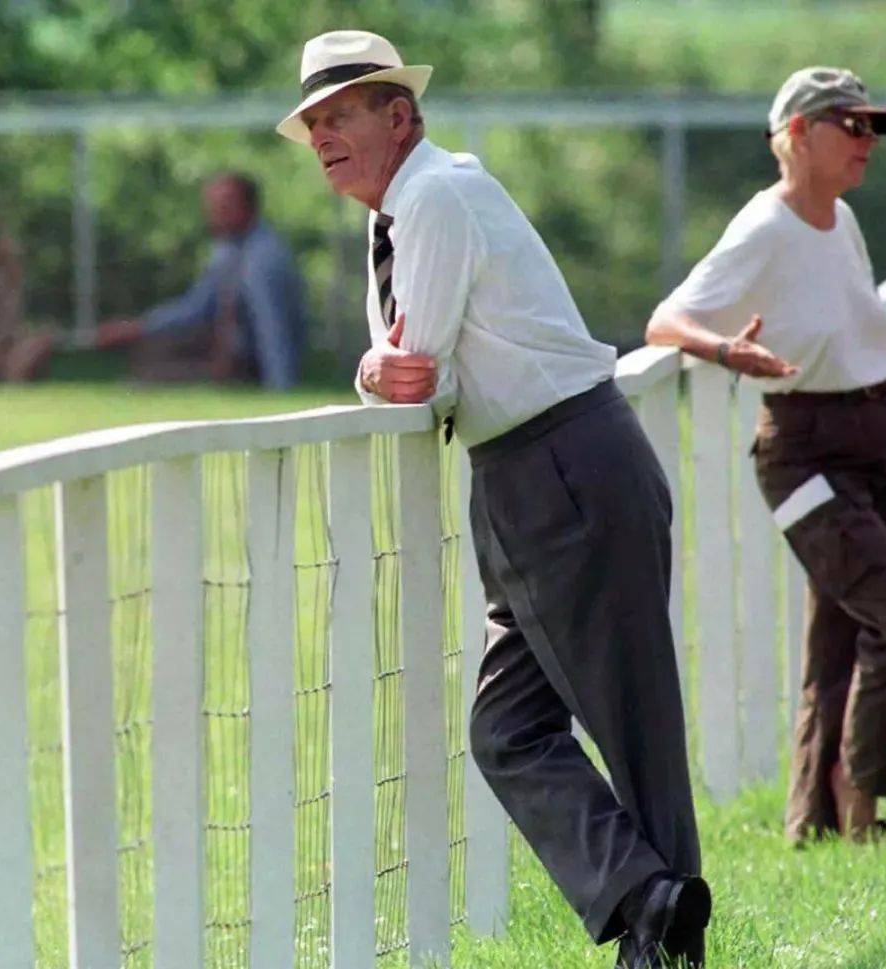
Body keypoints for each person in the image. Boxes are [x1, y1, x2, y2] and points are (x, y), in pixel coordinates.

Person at [277, 30, 710, 967]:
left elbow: (416, 378)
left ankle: (665, 939)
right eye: (312, 122)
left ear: (400, 115)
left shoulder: (433, 196)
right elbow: (405, 369)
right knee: (508, 730)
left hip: (561, 464)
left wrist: (373, 367)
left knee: (626, 722)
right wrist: (381, 368)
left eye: (338, 115)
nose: (320, 137)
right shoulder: (399, 209)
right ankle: (652, 900)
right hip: (526, 472)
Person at [646, 67, 886, 844]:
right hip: (805, 452)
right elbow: (665, 322)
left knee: (841, 629)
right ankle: (860, 795)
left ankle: (811, 820)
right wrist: (726, 352)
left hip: (878, 431)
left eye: (874, 128)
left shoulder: (839, 220)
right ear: (798, 135)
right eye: (853, 126)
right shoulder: (764, 226)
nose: (867, 143)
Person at [96, 173, 306, 389]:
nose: (215, 214)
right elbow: (196, 306)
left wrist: (280, 387)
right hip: (219, 350)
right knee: (151, 347)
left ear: (249, 207)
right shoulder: (227, 250)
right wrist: (141, 326)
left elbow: (272, 327)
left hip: (248, 363)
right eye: (212, 206)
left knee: (153, 372)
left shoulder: (263, 257)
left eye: (224, 206)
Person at [0, 190, 53, 381]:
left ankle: (7, 371)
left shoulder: (4, 256)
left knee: (39, 340)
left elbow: (10, 310)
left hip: (0, 343)